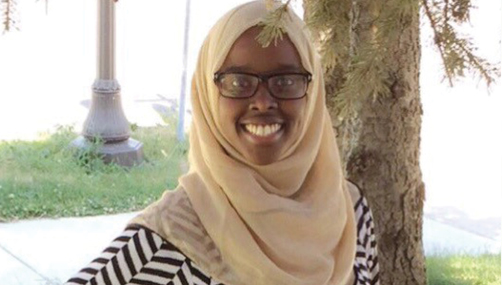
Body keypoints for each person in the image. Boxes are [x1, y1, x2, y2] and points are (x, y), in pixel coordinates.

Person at [64, 1, 379, 284]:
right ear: (207, 93)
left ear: (313, 92)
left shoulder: (349, 210)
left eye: (286, 81)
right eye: (238, 82)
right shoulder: (166, 240)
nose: (263, 101)